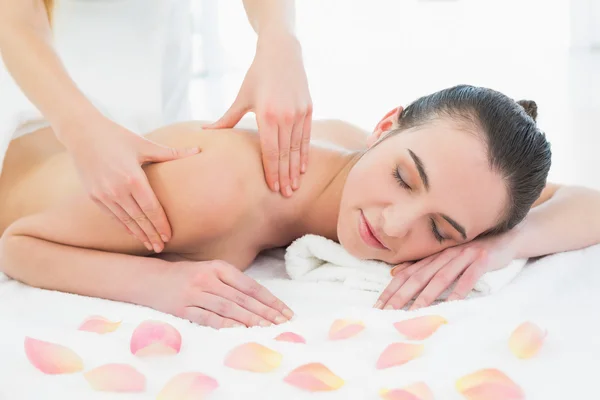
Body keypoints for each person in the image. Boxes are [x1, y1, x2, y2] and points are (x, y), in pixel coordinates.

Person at [2, 85, 600, 330]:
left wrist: (503, 246)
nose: (394, 224)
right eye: (401, 177)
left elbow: (588, 204)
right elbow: (19, 245)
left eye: (441, 231)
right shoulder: (216, 189)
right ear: (384, 127)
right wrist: (159, 283)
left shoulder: (459, 179)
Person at [0, 0, 312, 256]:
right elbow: (15, 18)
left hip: (158, 96)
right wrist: (80, 130)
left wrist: (280, 39)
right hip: (43, 96)